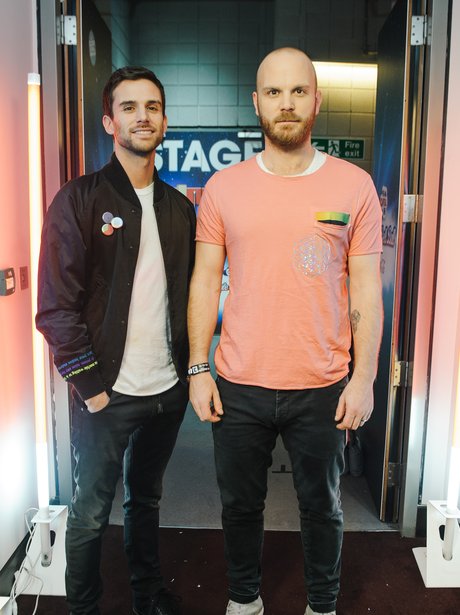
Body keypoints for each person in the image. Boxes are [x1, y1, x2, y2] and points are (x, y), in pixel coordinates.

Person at [187, 47, 383, 615]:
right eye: (274, 92)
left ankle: (322, 604)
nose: (286, 104)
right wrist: (199, 368)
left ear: (316, 100)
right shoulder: (224, 187)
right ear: (256, 103)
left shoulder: (354, 187)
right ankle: (244, 600)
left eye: (299, 91)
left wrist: (364, 377)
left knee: (322, 507)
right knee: (239, 506)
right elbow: (204, 282)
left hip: (321, 383)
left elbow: (365, 288)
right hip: (238, 382)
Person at [36, 66, 196, 615]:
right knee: (89, 510)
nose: (142, 116)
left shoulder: (180, 209)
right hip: (105, 393)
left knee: (146, 499)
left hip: (165, 391)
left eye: (152, 106)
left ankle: (147, 595)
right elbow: (55, 306)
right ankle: (84, 608)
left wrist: (190, 375)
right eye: (129, 107)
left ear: (165, 121)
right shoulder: (78, 200)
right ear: (109, 120)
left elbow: (191, 300)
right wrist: (90, 385)